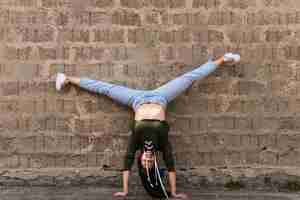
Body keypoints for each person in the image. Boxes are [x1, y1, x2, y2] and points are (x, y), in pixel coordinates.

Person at [55, 53, 241, 199]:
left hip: (136, 100)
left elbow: (126, 167)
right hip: (161, 97)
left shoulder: (135, 143)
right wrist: (174, 193)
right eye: (150, 163)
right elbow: (171, 168)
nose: (147, 160)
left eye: (144, 162)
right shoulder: (162, 145)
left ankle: (67, 78)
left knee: (105, 88)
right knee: (189, 78)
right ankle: (224, 59)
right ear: (153, 163)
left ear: (141, 160)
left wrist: (125, 191)